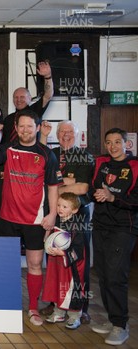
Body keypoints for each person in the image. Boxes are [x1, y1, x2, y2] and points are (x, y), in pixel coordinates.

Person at [0, 110, 62, 326]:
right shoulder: (8, 148)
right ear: (16, 129)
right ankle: (7, 305)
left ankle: (33, 308)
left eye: (29, 126)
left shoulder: (47, 154)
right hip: (7, 218)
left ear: (37, 128)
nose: (25, 130)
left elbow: (54, 187)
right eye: (21, 126)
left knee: (35, 264)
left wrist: (52, 214)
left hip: (35, 221)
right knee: (6, 265)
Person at [40, 120, 94, 324]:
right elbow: (46, 180)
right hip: (57, 213)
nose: (65, 135)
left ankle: (81, 308)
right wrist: (67, 183)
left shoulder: (84, 156)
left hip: (77, 217)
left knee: (77, 262)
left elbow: (81, 189)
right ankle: (57, 304)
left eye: (70, 131)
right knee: (55, 258)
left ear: (77, 134)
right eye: (62, 131)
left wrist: (55, 189)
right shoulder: (53, 153)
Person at [90, 128, 138, 346]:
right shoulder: (101, 162)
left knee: (116, 275)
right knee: (103, 274)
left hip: (123, 228)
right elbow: (91, 189)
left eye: (118, 142)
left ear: (126, 144)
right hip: (100, 226)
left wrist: (113, 197)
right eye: (109, 142)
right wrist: (98, 194)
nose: (113, 146)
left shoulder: (135, 166)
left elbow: (135, 201)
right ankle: (112, 320)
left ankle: (121, 325)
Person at [42, 193, 87, 330]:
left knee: (71, 290)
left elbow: (79, 249)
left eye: (65, 206)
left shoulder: (77, 226)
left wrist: (63, 253)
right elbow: (50, 236)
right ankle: (59, 312)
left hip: (71, 267)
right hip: (57, 264)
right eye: (58, 205)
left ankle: (74, 317)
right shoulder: (56, 221)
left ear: (74, 210)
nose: (60, 208)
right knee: (56, 285)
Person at [2, 61, 53, 144]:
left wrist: (47, 76)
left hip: (31, 154)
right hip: (10, 155)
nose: (19, 100)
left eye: (22, 97)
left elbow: (48, 95)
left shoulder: (35, 111)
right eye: (16, 97)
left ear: (30, 98)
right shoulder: (8, 119)